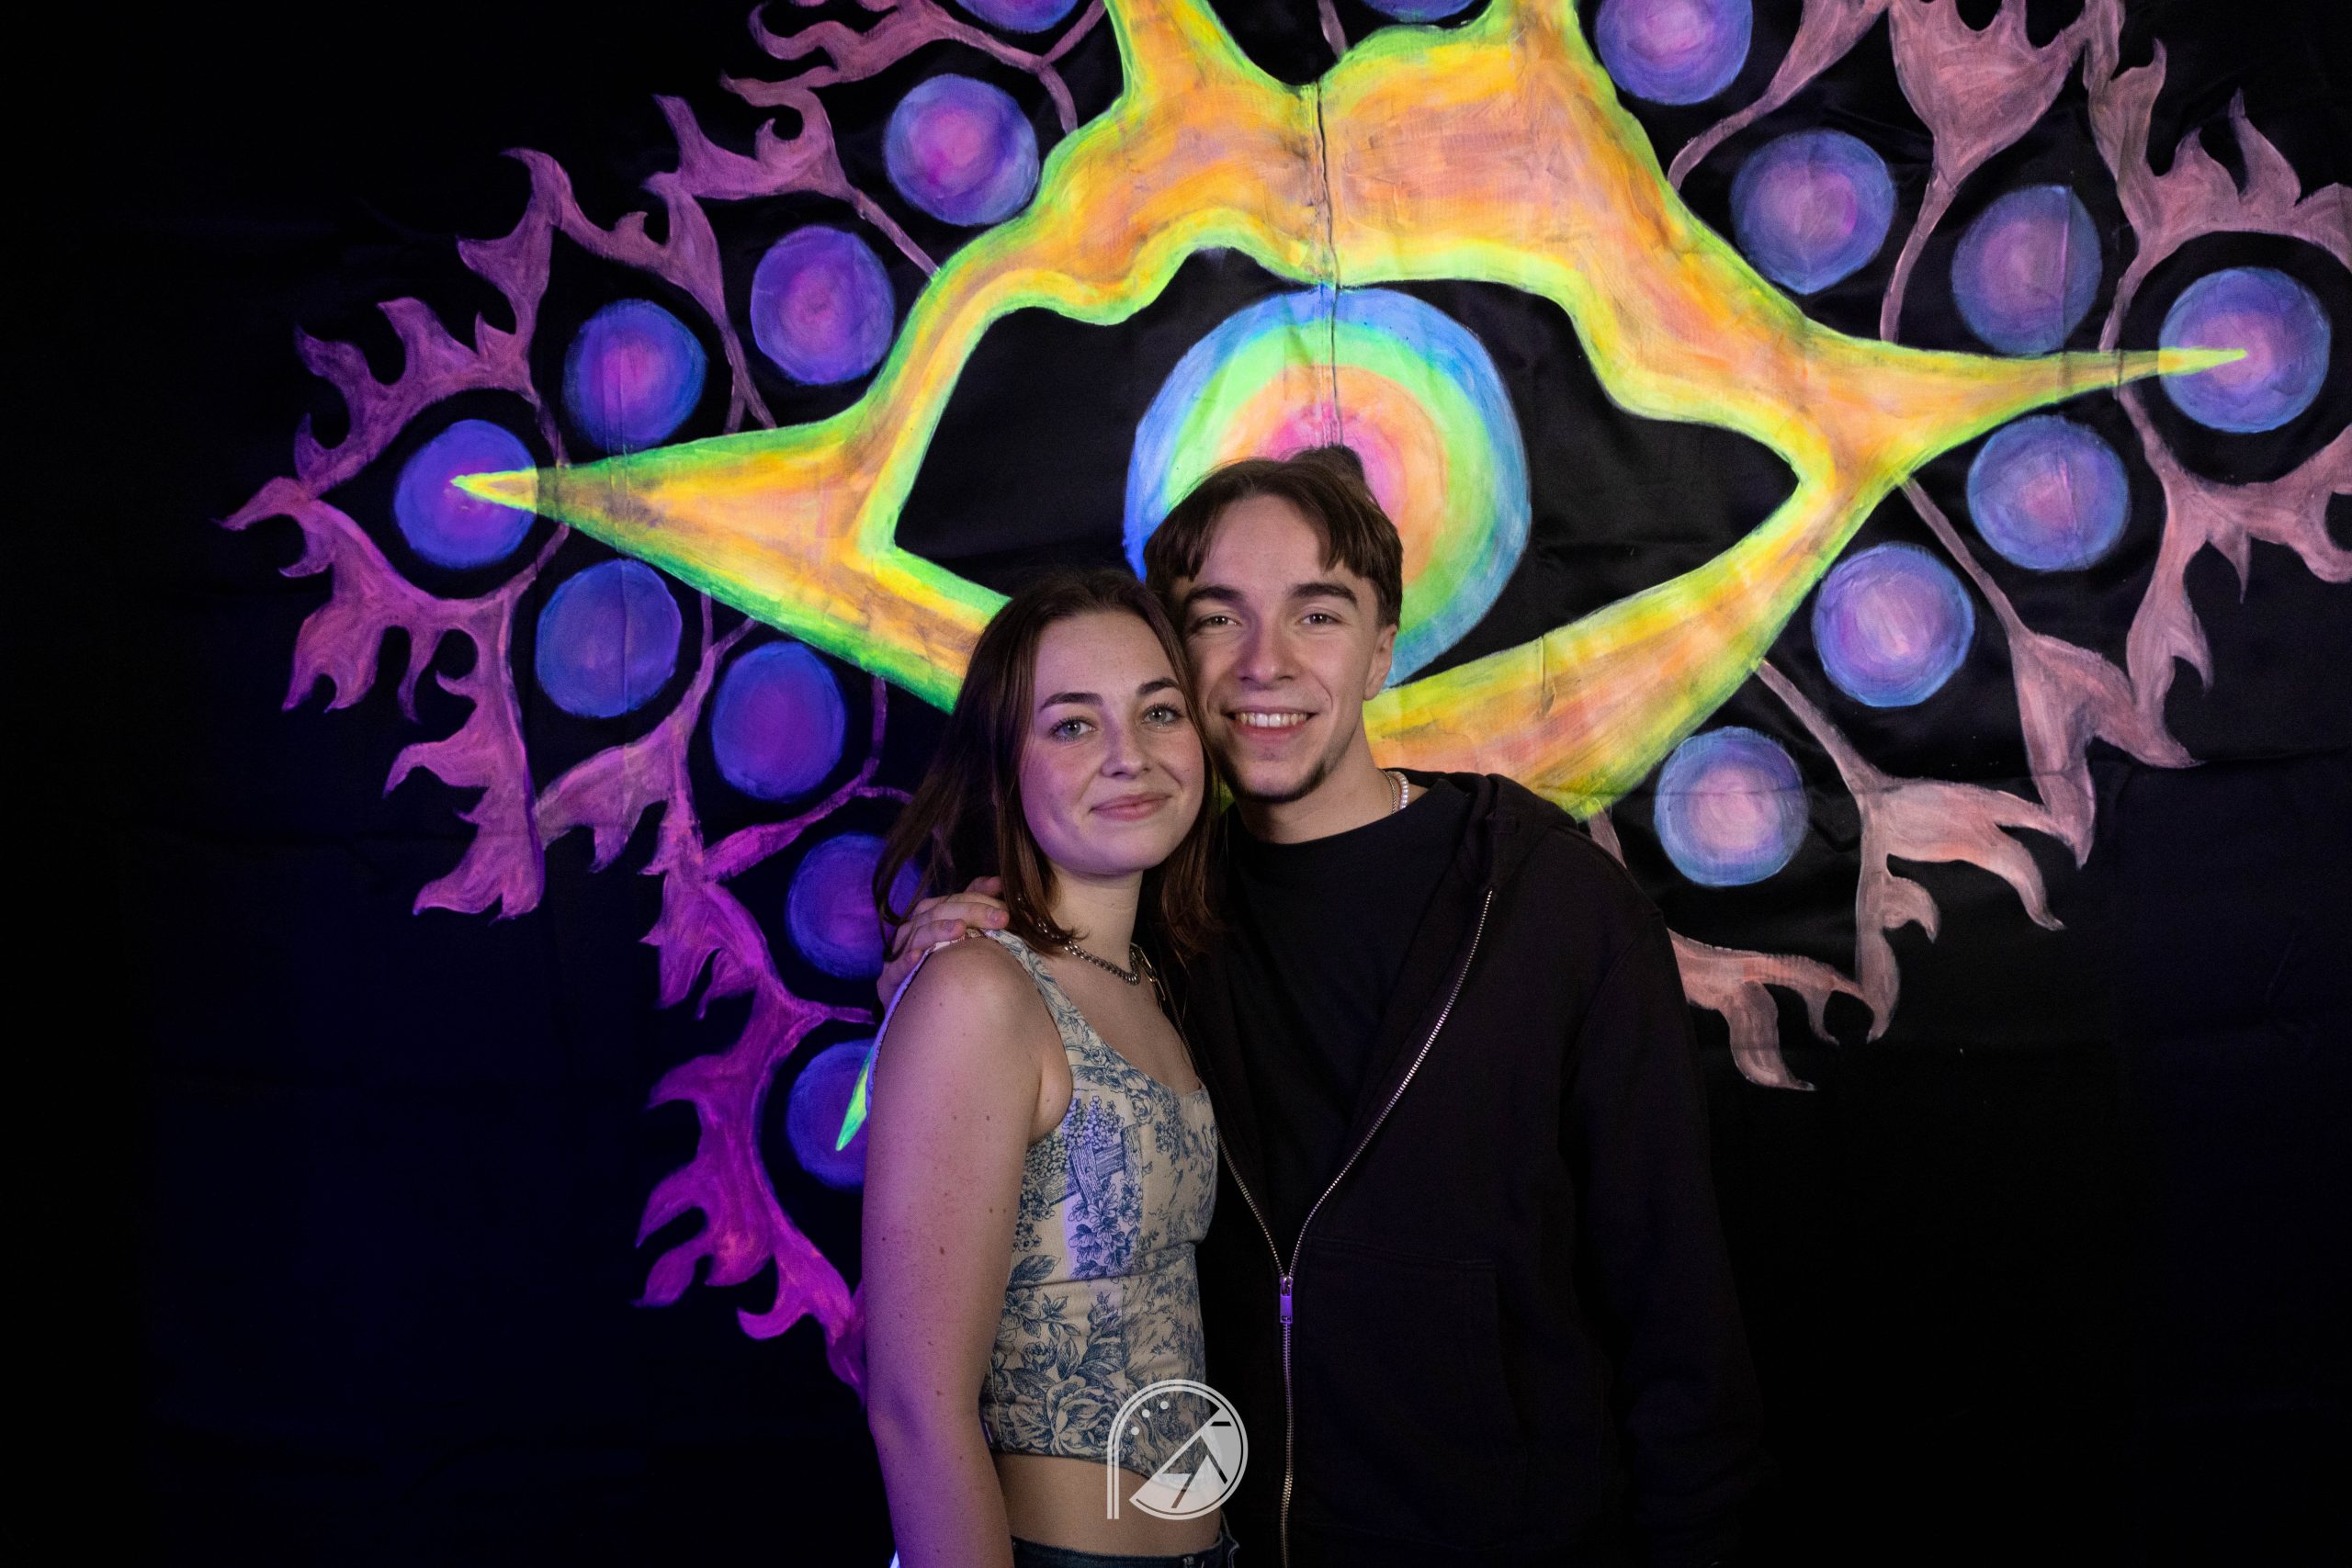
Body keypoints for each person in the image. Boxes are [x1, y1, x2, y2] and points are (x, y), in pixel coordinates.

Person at [883, 451, 1768, 1567]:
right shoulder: (1150, 924)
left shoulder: (1550, 906)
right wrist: (945, 962)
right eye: (1219, 618)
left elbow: (1677, 1314)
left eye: (1317, 613)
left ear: (1381, 648)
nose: (1267, 662)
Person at [858, 569, 1241, 1568]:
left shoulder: (1153, 980)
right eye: (1073, 725)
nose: (1129, 755)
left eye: (1159, 711)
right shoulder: (978, 991)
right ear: (1003, 767)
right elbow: (913, 1406)